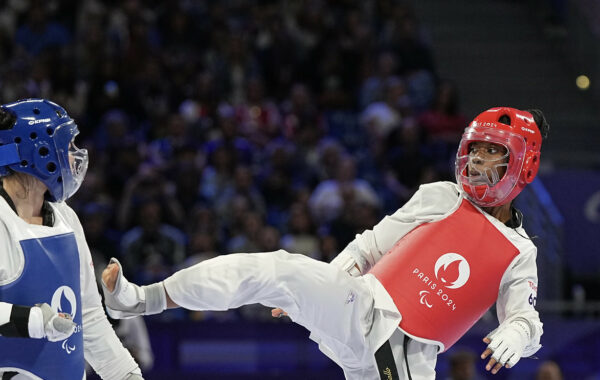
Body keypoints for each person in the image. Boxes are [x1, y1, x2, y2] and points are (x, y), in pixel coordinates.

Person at [102, 107, 547, 379]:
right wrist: (318, 289)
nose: (476, 161)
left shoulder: (519, 253)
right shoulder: (440, 195)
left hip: (407, 359)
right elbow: (369, 247)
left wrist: (515, 331)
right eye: (475, 149)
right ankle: (141, 299)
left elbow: (528, 320)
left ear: (522, 166)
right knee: (279, 269)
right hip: (363, 308)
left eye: (493, 153)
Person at [0, 99, 142, 379]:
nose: (74, 156)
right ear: (38, 150)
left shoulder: (66, 217)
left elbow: (87, 316)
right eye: (68, 146)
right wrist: (35, 321)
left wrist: (126, 374)